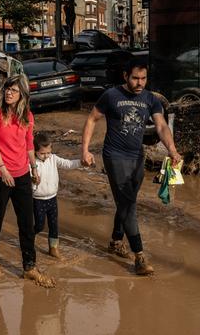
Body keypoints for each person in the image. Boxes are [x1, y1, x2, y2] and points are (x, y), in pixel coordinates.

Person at [81, 58, 182, 276]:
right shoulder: (111, 95)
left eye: (143, 78)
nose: (139, 83)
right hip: (114, 156)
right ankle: (140, 256)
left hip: (137, 157)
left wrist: (172, 149)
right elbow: (91, 119)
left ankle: (116, 240)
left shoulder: (150, 99)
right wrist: (85, 150)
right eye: (135, 78)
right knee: (128, 204)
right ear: (125, 76)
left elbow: (161, 126)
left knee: (127, 201)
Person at [0, 75, 55, 288]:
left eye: (14, 90)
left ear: (22, 94)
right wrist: (3, 169)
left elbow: (29, 145)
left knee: (27, 222)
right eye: (7, 89)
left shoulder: (27, 117)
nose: (9, 93)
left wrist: (34, 168)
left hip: (22, 174)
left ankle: (29, 267)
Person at [32, 131, 81, 259]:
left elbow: (68, 164)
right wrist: (33, 181)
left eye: (48, 152)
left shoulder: (53, 158)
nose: (46, 156)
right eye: (42, 153)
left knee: (54, 225)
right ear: (35, 151)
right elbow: (29, 182)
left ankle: (53, 248)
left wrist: (82, 162)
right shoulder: (32, 164)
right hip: (38, 200)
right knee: (39, 225)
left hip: (52, 198)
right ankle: (28, 239)